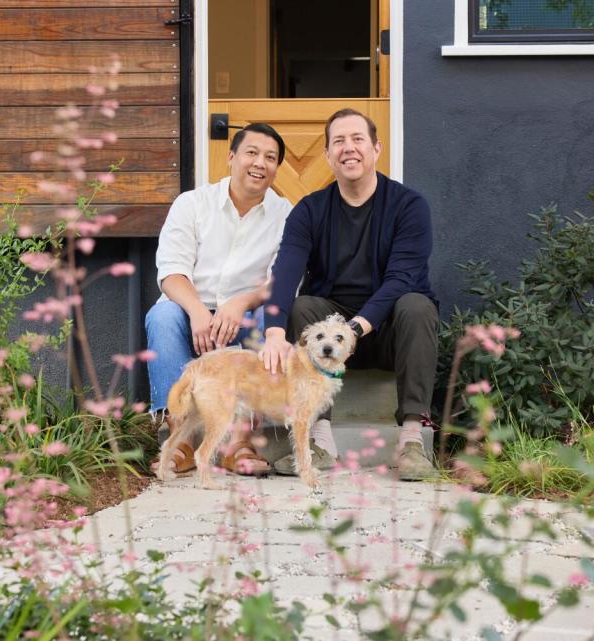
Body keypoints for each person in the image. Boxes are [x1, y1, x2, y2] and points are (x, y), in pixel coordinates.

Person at [259, 108, 440, 481]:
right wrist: (274, 331)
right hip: (330, 342)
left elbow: (401, 279)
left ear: (376, 148)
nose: (348, 148)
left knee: (417, 305)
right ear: (327, 155)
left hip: (389, 333)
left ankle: (412, 440)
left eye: (357, 139)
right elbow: (286, 271)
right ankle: (320, 441)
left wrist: (356, 328)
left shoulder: (409, 207)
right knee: (304, 305)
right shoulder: (309, 211)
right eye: (338, 141)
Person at [146, 123, 293, 476]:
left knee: (268, 322)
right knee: (162, 317)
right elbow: (171, 272)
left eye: (270, 158)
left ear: (276, 169)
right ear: (231, 157)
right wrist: (197, 311)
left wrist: (242, 301)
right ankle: (179, 439)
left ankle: (241, 441)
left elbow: (283, 281)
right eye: (252, 153)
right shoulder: (193, 204)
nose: (260, 163)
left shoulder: (286, 215)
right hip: (190, 308)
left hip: (246, 313)